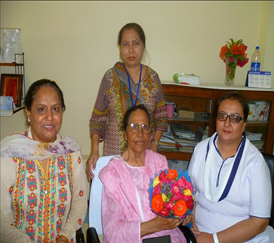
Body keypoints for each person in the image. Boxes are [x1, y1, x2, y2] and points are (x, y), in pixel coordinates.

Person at [0, 79, 87, 243]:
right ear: (28, 112)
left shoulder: (70, 152)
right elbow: (1, 221)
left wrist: (64, 236)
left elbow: (80, 202)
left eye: (55, 109)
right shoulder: (11, 154)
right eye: (41, 109)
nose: (49, 117)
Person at [188, 91, 274, 242]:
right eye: (222, 116)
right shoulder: (200, 150)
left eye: (235, 118)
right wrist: (190, 222)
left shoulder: (255, 163)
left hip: (243, 239)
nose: (227, 123)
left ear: (244, 123)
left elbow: (259, 222)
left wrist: (214, 239)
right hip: (198, 234)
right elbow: (189, 195)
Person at [87, 22, 168, 180]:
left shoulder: (153, 78)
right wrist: (94, 150)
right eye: (125, 44)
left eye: (135, 43)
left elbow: (161, 116)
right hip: (115, 156)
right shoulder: (110, 78)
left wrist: (154, 144)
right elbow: (98, 118)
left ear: (143, 46)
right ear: (120, 48)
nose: (131, 50)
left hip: (144, 156)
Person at [99, 104, 189, 243]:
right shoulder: (113, 173)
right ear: (125, 133)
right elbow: (113, 232)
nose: (140, 133)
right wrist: (153, 226)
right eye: (134, 126)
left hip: (166, 237)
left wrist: (182, 213)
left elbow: (173, 204)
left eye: (145, 127)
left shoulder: (159, 163)